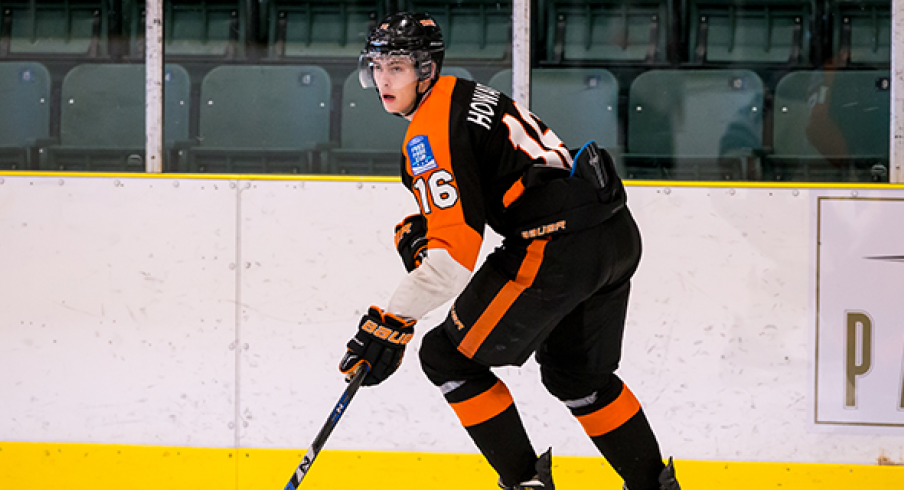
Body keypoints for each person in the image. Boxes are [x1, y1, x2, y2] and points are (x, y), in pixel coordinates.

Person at [338, 12, 681, 490]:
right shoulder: (466, 95)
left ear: (427, 69)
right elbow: (479, 196)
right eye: (376, 66)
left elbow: (451, 265)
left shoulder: (429, 131)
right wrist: (429, 234)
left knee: (444, 356)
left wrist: (391, 322)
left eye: (397, 66)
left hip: (557, 246)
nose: (382, 80)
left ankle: (526, 483)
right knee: (578, 378)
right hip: (612, 234)